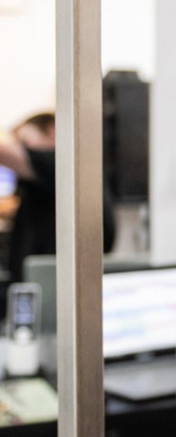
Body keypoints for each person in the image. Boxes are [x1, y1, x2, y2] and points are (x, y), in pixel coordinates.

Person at [0, 112, 116, 318]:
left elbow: (7, 154)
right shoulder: (42, 181)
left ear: (52, 133)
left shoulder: (63, 164)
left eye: (25, 141)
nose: (21, 148)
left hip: (53, 297)